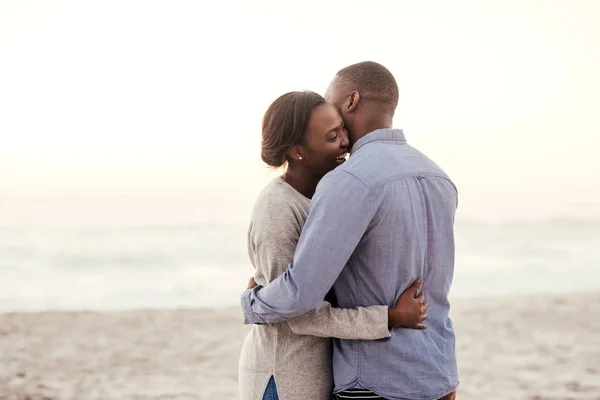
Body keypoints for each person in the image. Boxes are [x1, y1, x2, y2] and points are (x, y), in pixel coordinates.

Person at [241, 62, 459, 400]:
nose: (342, 139)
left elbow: (298, 295)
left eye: (336, 118)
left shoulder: (350, 182)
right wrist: (390, 316)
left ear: (352, 100)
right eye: (331, 135)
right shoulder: (437, 176)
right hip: (437, 373)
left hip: (378, 379)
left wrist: (253, 303)